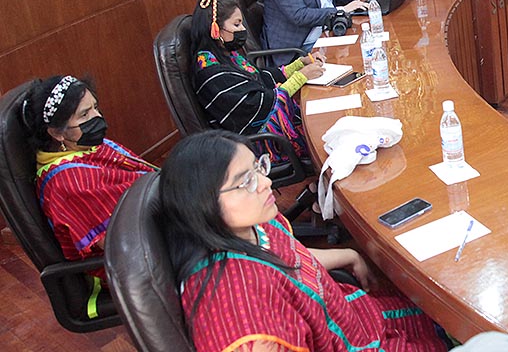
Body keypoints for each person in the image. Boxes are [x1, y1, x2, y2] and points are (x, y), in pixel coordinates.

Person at [159, 131, 449, 352]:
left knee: (441, 314)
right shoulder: (242, 318)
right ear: (202, 203)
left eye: (258, 168)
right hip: (349, 340)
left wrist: (350, 255)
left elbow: (293, 258)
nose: (266, 182)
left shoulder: (250, 226)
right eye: (246, 181)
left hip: (353, 319)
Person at [20, 75, 156, 274]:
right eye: (84, 114)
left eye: (95, 107)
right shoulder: (67, 183)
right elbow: (123, 245)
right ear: (57, 133)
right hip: (134, 267)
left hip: (154, 222)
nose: (97, 117)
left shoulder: (86, 145)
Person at [192, 0, 325, 161]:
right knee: (323, 132)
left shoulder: (225, 55)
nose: (243, 29)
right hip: (259, 143)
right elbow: (256, 104)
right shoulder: (210, 73)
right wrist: (300, 77)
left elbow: (258, 78)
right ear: (216, 30)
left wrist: (299, 64)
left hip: (267, 128)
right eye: (237, 24)